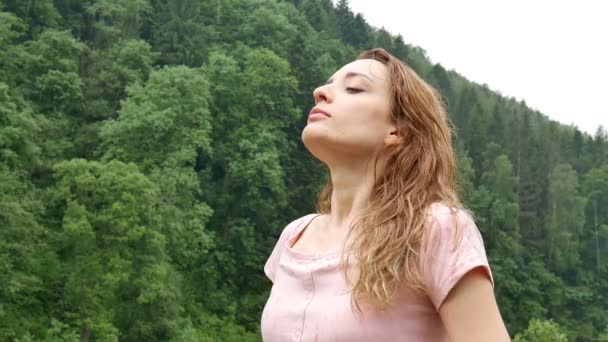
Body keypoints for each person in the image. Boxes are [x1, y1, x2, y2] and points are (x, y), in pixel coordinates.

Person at [260, 48, 510, 341]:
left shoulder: (433, 229)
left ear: (397, 130)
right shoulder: (295, 236)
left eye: (353, 88)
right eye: (327, 83)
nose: (320, 92)